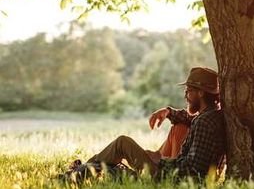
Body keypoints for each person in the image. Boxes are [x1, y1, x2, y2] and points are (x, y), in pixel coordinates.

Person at [71, 67, 226, 181]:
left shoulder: (204, 122)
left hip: (172, 180)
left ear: (200, 93)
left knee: (122, 143)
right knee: (112, 163)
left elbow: (193, 169)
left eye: (188, 91)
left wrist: (160, 161)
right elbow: (187, 117)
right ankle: (79, 171)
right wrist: (168, 112)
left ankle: (75, 174)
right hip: (175, 175)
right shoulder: (210, 116)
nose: (185, 96)